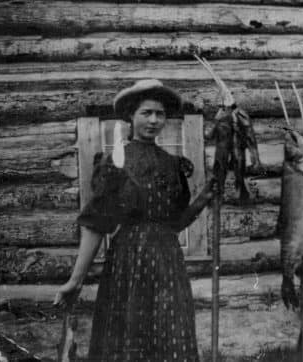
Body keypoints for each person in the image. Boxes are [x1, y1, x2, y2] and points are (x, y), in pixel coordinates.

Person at [54, 79, 215, 361]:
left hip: (168, 264)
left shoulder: (174, 164)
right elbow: (96, 224)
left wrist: (203, 200)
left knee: (170, 336)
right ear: (131, 115)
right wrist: (75, 280)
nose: (154, 120)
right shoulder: (115, 161)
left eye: (160, 114)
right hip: (128, 263)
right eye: (146, 113)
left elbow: (174, 223)